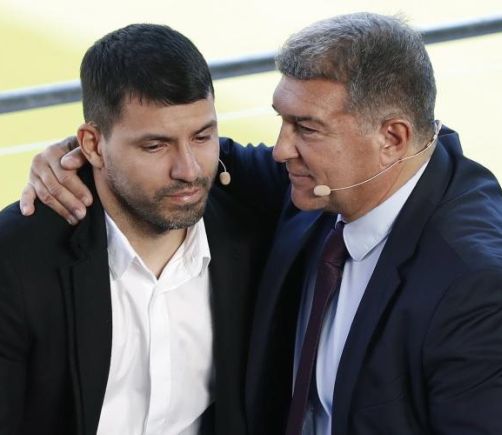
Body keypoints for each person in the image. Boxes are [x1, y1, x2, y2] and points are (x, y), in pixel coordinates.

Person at [20, 13, 502, 434]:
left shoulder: (474, 285)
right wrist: (78, 155)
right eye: (282, 121)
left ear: (392, 138)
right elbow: (190, 158)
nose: (280, 150)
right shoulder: (321, 184)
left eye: (306, 128)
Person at [0, 23, 274, 435]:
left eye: (202, 137)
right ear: (92, 145)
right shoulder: (15, 260)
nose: (188, 170)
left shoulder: (255, 230)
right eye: (155, 146)